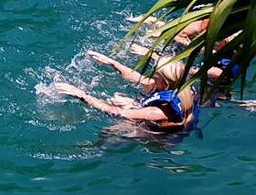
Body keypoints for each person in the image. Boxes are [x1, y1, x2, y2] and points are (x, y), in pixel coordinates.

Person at [55, 50, 199, 134]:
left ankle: (94, 152)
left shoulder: (159, 111)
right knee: (119, 98)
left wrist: (82, 95)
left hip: (156, 135)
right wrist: (113, 63)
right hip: (152, 113)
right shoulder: (178, 86)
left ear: (165, 81)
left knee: (110, 132)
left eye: (155, 74)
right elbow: (138, 78)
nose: (151, 75)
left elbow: (116, 112)